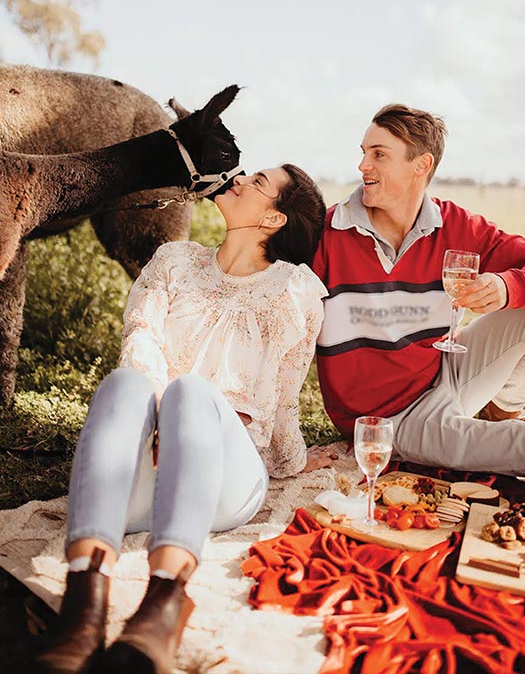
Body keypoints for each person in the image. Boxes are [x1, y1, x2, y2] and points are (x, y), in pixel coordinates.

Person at [36, 164, 334, 674]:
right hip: (142, 480)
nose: (240, 178)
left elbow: (285, 399)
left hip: (223, 482)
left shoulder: (295, 289)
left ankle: (165, 601)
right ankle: (83, 604)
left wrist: (294, 461)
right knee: (124, 383)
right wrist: (159, 420)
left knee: (192, 391)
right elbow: (139, 340)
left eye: (259, 182)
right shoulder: (173, 261)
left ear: (273, 219)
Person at [313, 104, 525, 479]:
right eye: (364, 153)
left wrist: (507, 286)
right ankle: (499, 430)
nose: (363, 166)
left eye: (378, 154)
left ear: (421, 165)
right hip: (396, 420)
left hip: (445, 371)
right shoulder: (327, 233)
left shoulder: (455, 224)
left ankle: (503, 412)